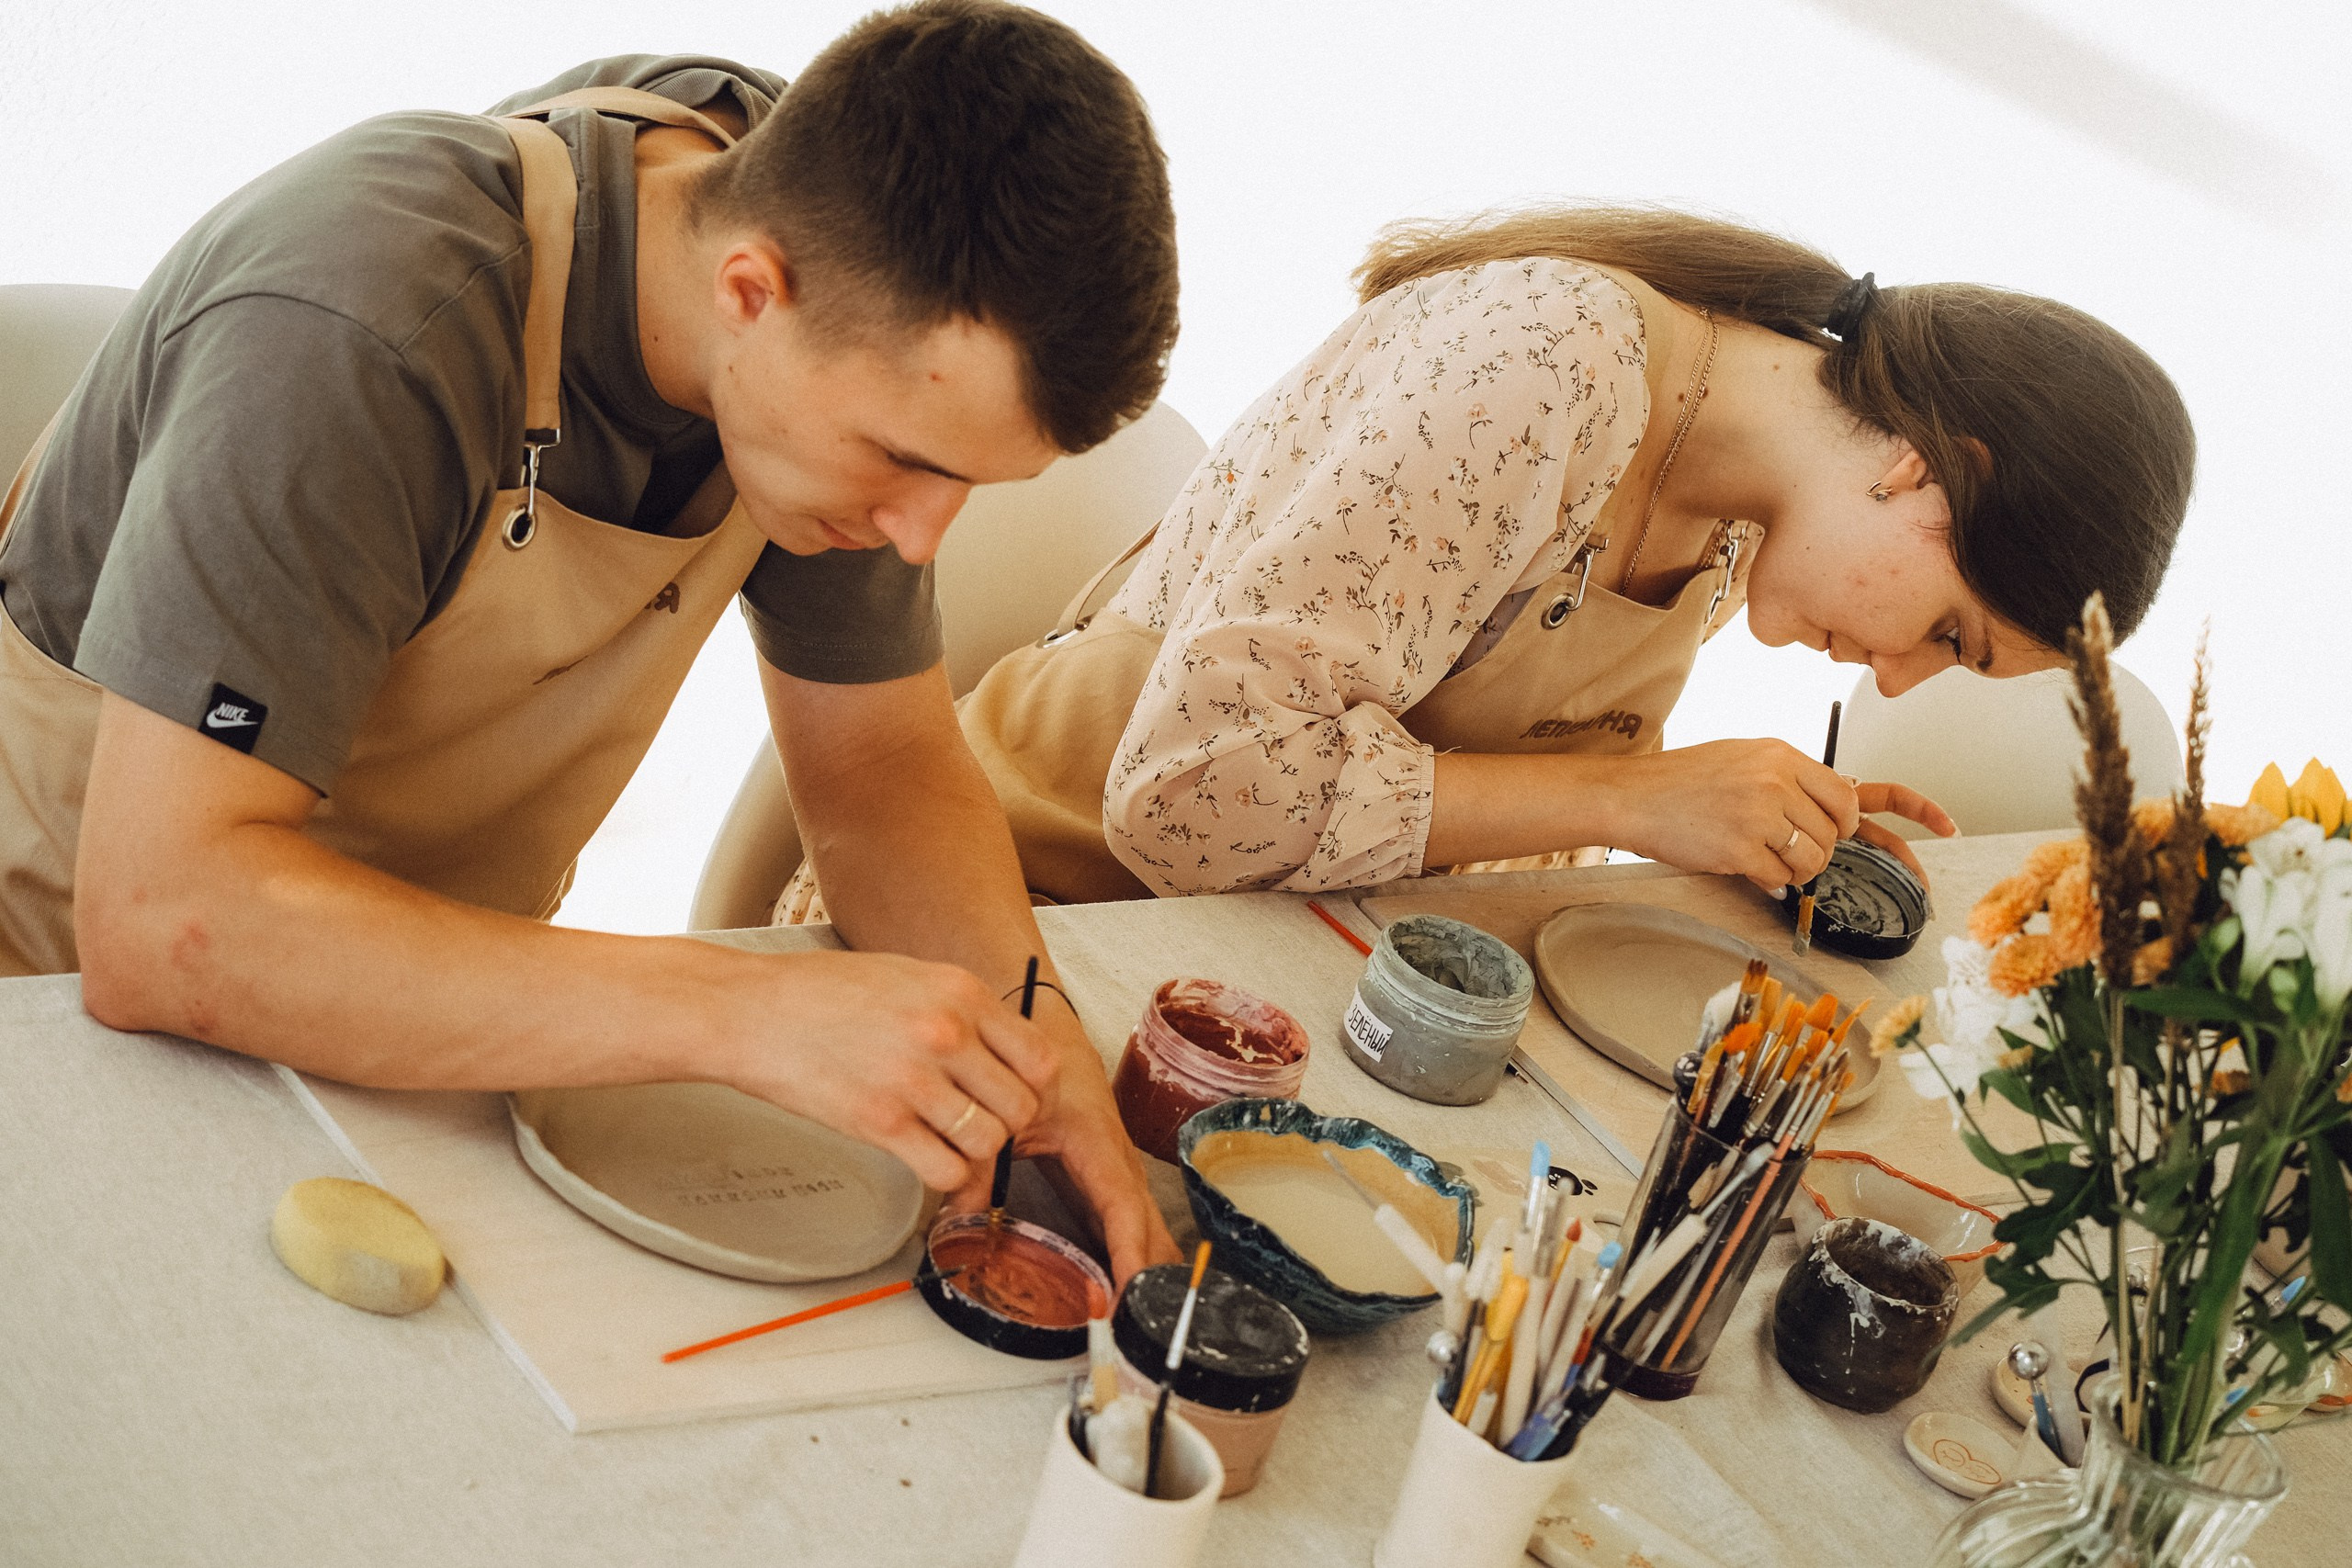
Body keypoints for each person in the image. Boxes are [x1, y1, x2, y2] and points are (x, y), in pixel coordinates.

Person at [0, 5, 1182, 1277]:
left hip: (428, 1022)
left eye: (965, 487)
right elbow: (165, 921)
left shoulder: (825, 252)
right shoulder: (363, 327)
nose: (919, 538)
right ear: (750, 293)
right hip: (62, 996)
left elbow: (883, 770)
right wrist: (741, 1010)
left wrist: (1033, 1034)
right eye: (904, 462)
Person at [909, 207, 2194, 908]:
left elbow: (1473, 803)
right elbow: (1189, 800)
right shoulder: (1540, 371)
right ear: (1930, 467)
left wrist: (1736, 829)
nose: (1902, 684)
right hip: (1017, 893)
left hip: (1269, 959)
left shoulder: (1743, 500)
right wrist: (1642, 803)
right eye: (1951, 633)